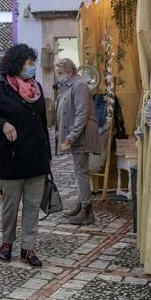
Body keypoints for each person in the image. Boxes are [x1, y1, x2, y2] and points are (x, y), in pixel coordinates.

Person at [0, 44, 50, 267]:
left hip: (36, 158)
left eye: (33, 63)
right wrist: (2, 123)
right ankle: (7, 243)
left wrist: (48, 156)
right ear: (16, 64)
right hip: (11, 158)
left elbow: (42, 123)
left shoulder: (37, 89)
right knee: (10, 207)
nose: (32, 67)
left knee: (33, 207)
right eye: (28, 63)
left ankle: (28, 248)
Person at [54, 58, 99, 225]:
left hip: (82, 135)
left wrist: (71, 137)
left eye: (60, 73)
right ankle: (81, 206)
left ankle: (87, 211)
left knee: (81, 172)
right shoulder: (71, 85)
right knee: (79, 171)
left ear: (70, 71)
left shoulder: (79, 85)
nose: (59, 77)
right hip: (78, 134)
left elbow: (81, 114)